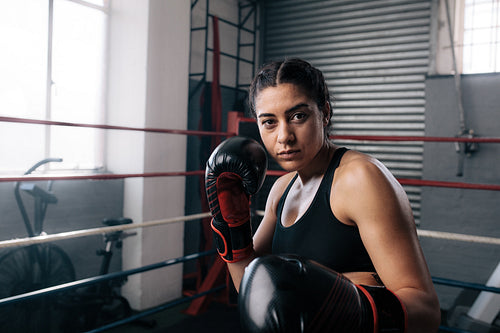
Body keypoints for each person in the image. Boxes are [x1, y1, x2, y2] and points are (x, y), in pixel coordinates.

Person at [205, 58, 440, 332]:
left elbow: (426, 311)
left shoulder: (359, 179)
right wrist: (232, 228)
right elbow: (249, 285)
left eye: (298, 116)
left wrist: (347, 306)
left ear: (324, 113)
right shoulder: (281, 191)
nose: (284, 137)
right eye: (269, 122)